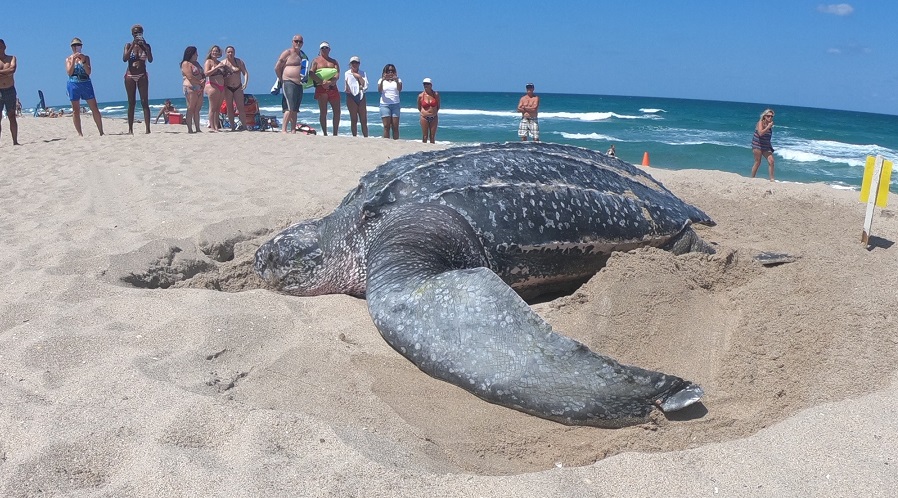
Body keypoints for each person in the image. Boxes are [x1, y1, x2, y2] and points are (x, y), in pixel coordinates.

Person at [65, 37, 104, 137]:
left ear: (81, 46)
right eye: (73, 45)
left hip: (85, 82)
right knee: (75, 110)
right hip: (73, 83)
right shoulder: (68, 59)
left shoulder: (86, 58)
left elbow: (88, 71)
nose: (75, 47)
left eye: (77, 45)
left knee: (94, 107)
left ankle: (101, 131)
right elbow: (69, 72)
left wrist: (83, 60)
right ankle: (79, 133)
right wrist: (73, 60)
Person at [122, 24, 153, 134]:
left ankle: (148, 129)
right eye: (135, 33)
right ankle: (130, 129)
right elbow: (124, 59)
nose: (137, 34)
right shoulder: (128, 45)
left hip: (142, 74)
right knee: (131, 102)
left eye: (139, 32)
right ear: (132, 34)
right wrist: (132, 46)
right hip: (130, 75)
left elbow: (150, 59)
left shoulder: (146, 45)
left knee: (145, 102)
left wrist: (145, 47)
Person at [274, 34, 306, 133]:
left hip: (299, 84)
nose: (298, 43)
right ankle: (284, 130)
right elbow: (277, 67)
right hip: (288, 82)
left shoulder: (302, 55)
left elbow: (305, 69)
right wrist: (281, 79)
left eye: (300, 41)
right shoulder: (287, 53)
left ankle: (293, 130)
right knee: (289, 107)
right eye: (296, 41)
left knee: (295, 109)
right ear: (292, 42)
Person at [310, 42, 340, 136]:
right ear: (320, 49)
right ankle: (325, 133)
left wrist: (331, 82)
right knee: (323, 112)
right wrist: (322, 82)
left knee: (337, 111)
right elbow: (311, 73)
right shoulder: (316, 61)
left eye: (326, 48)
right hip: (321, 88)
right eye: (322, 48)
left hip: (332, 87)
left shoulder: (334, 61)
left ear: (329, 49)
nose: (324, 49)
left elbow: (337, 73)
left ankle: (335, 133)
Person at [222, 45, 250, 131]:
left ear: (234, 53)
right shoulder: (223, 63)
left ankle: (244, 126)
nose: (230, 53)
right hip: (228, 87)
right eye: (229, 52)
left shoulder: (239, 62)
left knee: (240, 107)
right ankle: (232, 127)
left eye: (232, 52)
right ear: (226, 53)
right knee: (229, 107)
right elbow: (218, 75)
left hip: (238, 87)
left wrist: (245, 82)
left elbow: (245, 72)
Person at [204, 45, 229, 132]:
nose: (215, 52)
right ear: (211, 52)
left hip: (221, 86)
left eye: (217, 51)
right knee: (212, 108)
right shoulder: (209, 62)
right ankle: (212, 126)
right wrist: (217, 68)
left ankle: (216, 126)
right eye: (213, 51)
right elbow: (206, 73)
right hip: (213, 85)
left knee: (218, 108)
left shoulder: (219, 62)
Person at [180, 46, 205, 133]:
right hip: (190, 87)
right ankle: (190, 129)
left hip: (200, 87)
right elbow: (189, 76)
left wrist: (203, 81)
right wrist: (199, 82)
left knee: (197, 108)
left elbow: (203, 73)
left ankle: (197, 128)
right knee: (190, 108)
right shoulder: (185, 63)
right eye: (195, 53)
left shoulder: (197, 63)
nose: (197, 55)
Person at [0, 38, 19, 145]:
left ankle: (15, 141)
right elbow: (9, 71)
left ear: (5, 46)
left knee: (12, 115)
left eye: (1, 46)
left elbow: (12, 70)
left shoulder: (11, 58)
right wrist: (6, 73)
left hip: (10, 90)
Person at [343, 55, 368, 137]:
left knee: (363, 119)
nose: (354, 64)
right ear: (350, 64)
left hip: (361, 95)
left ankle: (366, 137)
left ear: (359, 64)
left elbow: (365, 85)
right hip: (351, 96)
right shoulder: (347, 73)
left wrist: (359, 77)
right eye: (353, 63)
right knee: (353, 119)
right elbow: (346, 85)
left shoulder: (363, 73)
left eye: (356, 63)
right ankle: (354, 137)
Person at [378, 64, 402, 140]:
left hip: (395, 105)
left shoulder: (398, 80)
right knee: (386, 126)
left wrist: (396, 80)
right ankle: (386, 142)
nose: (390, 73)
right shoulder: (381, 80)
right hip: (385, 105)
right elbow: (379, 90)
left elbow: (399, 89)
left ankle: (396, 142)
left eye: (392, 71)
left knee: (395, 126)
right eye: (388, 71)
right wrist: (382, 79)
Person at [751, 109, 776, 181]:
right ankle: (752, 178)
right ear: (764, 116)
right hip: (757, 144)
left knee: (771, 161)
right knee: (758, 161)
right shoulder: (760, 123)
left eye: (771, 116)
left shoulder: (770, 124)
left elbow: (768, 136)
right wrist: (768, 127)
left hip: (766, 145)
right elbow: (760, 133)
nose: (770, 118)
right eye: (768, 116)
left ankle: (772, 178)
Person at [417, 78, 440, 143]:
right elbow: (419, 107)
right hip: (424, 117)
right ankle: (424, 151)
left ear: (431, 85)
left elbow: (438, 106)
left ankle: (432, 151)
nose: (426, 85)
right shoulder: (420, 96)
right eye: (424, 84)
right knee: (425, 136)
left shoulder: (436, 95)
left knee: (432, 136)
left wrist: (433, 112)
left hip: (434, 117)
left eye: (427, 84)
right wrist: (425, 113)